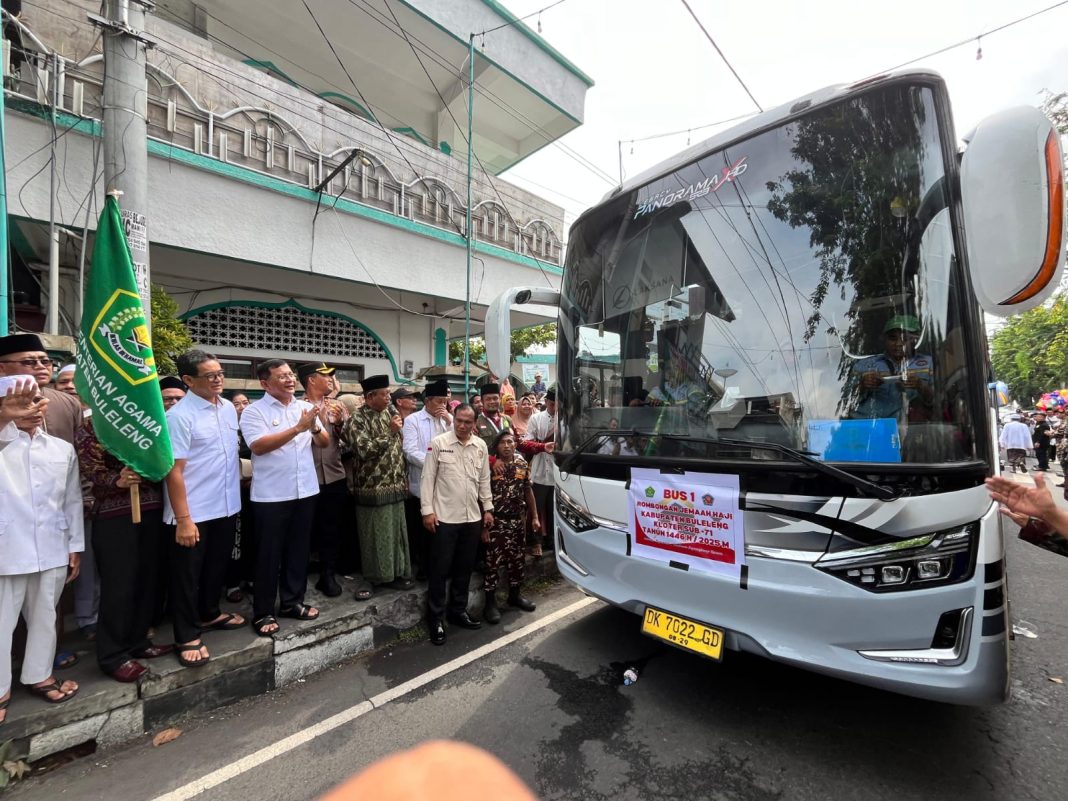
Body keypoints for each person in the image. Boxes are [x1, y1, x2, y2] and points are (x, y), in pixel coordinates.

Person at [1, 381, 82, 723]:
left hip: (52, 544)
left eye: (38, 400)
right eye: (22, 401)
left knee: (45, 615)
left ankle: (39, 674)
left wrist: (75, 544)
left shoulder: (61, 449)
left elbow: (71, 499)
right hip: (7, 548)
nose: (33, 407)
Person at [76, 411, 173, 681]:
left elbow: (164, 457)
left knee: (147, 580)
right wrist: (115, 480)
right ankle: (112, 654)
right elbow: (89, 466)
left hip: (152, 508)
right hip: (114, 516)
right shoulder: (94, 424)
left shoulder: (146, 418)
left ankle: (138, 641)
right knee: (119, 584)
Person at [163, 350, 245, 667]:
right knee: (187, 575)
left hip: (225, 504)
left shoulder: (226, 408)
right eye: (210, 376)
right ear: (188, 380)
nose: (218, 380)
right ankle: (186, 635)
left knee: (216, 566)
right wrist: (184, 519)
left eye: (220, 373)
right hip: (192, 511)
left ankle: (209, 613)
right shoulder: (179, 416)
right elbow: (175, 470)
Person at [240, 359, 329, 637]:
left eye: (291, 375)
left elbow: (324, 442)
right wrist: (298, 428)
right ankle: (264, 611)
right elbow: (258, 446)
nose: (290, 380)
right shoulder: (254, 412)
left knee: (298, 550)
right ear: (265, 383)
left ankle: (292, 602)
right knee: (269, 555)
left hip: (305, 490)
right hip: (272, 496)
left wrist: (313, 426)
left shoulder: (304, 408)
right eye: (282, 376)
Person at [420, 404, 494, 645]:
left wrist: (488, 509)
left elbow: (484, 480)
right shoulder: (438, 443)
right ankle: (436, 619)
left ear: (474, 423)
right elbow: (427, 478)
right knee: (439, 570)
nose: (462, 426)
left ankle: (458, 610)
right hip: (444, 518)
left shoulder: (480, 446)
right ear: (454, 420)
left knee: (464, 568)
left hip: (471, 518)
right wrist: (427, 511)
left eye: (468, 422)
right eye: (459, 421)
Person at [342, 375, 413, 599]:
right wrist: (389, 432)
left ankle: (397, 574)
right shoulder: (357, 419)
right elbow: (364, 451)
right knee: (374, 536)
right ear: (370, 397)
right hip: (372, 489)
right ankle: (373, 579)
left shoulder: (389, 414)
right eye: (385, 394)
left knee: (396, 534)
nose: (389, 397)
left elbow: (398, 448)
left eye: (389, 393)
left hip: (396, 485)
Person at [298, 362, 349, 599]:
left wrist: (339, 424)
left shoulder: (337, 406)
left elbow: (349, 442)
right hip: (304, 478)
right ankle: (299, 574)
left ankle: (327, 575)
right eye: (325, 376)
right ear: (311, 380)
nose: (330, 380)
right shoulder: (297, 406)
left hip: (334, 474)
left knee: (332, 527)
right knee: (304, 528)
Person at [481, 431, 538, 625]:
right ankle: (489, 604)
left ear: (515, 444)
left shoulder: (522, 464)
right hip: (496, 522)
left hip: (517, 522)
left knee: (517, 561)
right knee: (492, 564)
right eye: (503, 442)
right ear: (496, 446)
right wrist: (484, 527)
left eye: (511, 442)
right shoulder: (489, 466)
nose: (507, 445)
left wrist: (535, 517)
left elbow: (528, 490)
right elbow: (481, 495)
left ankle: (514, 596)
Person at [402, 379, 453, 580]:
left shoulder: (446, 420)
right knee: (422, 530)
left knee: (442, 529)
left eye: (446, 401)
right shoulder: (413, 420)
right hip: (421, 482)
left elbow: (456, 443)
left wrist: (449, 420)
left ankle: (441, 565)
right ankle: (423, 568)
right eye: (439, 401)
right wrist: (434, 464)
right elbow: (410, 450)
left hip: (444, 484)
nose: (443, 405)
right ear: (428, 400)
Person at [0, 333, 82, 444]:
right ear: (2, 368)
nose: (41, 366)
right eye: (29, 362)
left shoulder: (69, 402)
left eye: (45, 361)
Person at [852, 315, 933, 421]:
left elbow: (942, 402)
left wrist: (920, 386)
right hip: (868, 428)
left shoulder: (929, 363)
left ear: (916, 340)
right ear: (883, 339)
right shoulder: (863, 365)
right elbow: (844, 402)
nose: (899, 343)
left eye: (906, 338)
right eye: (892, 338)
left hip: (914, 430)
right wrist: (863, 385)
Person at [224, 392, 255, 602]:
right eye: (237, 404)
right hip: (231, 490)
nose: (242, 407)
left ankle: (252, 575)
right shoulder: (226, 430)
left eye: (245, 402)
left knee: (254, 534)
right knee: (235, 537)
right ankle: (232, 582)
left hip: (255, 488)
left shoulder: (253, 428)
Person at [522, 388, 557, 556]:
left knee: (554, 509)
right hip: (540, 470)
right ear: (546, 403)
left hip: (558, 472)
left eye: (558, 404)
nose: (555, 407)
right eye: (551, 404)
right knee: (536, 508)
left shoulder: (564, 420)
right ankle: (535, 541)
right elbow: (526, 443)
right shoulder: (536, 419)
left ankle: (552, 539)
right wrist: (542, 446)